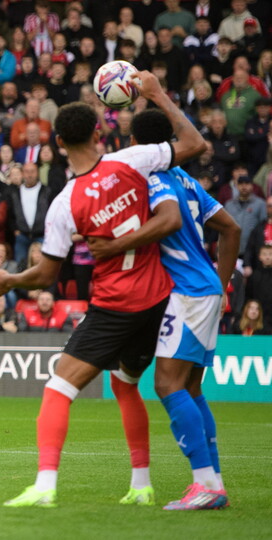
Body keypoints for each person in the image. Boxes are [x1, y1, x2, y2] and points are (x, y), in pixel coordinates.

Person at [0, 70, 207, 508]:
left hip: (114, 305)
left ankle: (45, 486)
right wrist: (159, 94)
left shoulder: (65, 201)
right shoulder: (133, 160)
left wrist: (10, 279)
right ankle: (142, 485)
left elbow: (46, 275)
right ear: (99, 131)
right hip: (159, 299)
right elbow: (195, 144)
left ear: (59, 145)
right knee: (126, 384)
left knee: (59, 388)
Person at [89, 109, 244, 509]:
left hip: (188, 291)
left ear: (139, 145)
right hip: (207, 286)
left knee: (167, 385)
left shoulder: (153, 177)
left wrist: (116, 245)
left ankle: (206, 485)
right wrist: (222, 285)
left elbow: (169, 221)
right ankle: (212, 483)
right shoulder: (188, 179)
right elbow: (232, 229)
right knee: (191, 387)